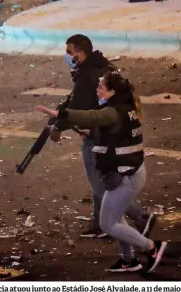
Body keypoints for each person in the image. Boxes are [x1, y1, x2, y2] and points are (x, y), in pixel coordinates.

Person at [36, 71, 167, 273]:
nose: (97, 91)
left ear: (112, 92)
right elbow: (114, 133)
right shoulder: (125, 108)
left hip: (125, 178)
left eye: (101, 88)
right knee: (116, 217)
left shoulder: (113, 111)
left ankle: (151, 247)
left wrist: (61, 114)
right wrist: (92, 133)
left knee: (108, 224)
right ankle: (128, 260)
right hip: (127, 173)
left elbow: (93, 116)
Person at [50, 35, 153, 238]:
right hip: (116, 130)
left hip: (98, 133)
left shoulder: (88, 75)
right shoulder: (108, 67)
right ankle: (99, 223)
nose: (67, 56)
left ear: (81, 52)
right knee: (104, 180)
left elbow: (77, 108)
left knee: (101, 185)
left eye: (70, 52)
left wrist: (57, 126)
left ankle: (142, 218)